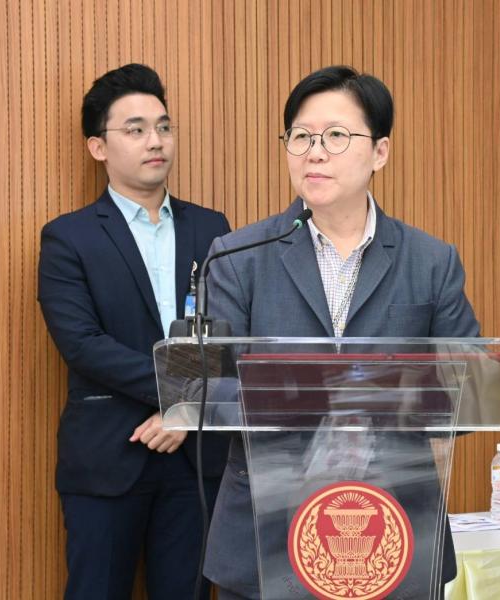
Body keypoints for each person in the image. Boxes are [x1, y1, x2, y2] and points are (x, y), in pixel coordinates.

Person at [203, 65, 480, 599]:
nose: (314, 153)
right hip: (267, 531)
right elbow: (210, 391)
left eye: (335, 136)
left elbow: (468, 389)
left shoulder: (430, 261)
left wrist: (378, 394)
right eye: (301, 137)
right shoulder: (239, 257)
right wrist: (323, 395)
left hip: (396, 531)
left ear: (380, 152)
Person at [38, 63, 230, 600]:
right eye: (136, 129)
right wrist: (178, 397)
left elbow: (227, 331)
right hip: (107, 456)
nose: (156, 141)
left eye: (164, 127)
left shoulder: (212, 228)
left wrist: (186, 413)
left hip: (195, 459)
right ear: (98, 147)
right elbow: (82, 344)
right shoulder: (68, 237)